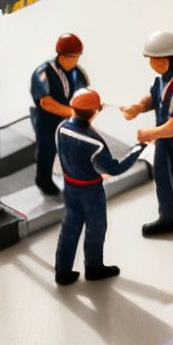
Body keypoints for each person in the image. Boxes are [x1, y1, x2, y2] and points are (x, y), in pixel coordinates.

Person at [54, 88, 141, 286]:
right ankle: (93, 268)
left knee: (69, 229)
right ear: (94, 113)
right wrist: (138, 148)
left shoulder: (61, 129)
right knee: (96, 229)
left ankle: (63, 271)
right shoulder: (96, 142)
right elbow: (113, 168)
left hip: (70, 186)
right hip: (90, 191)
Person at [122, 30, 173, 249]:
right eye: (151, 60)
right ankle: (167, 219)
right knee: (162, 182)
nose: (153, 64)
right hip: (163, 144)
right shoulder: (160, 82)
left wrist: (150, 134)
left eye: (156, 60)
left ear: (168, 58)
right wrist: (137, 107)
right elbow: (153, 99)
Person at [29, 33, 88, 195]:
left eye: (78, 57)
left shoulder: (77, 72)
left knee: (73, 149)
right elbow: (46, 102)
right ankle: (43, 179)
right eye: (74, 57)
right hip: (47, 119)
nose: (77, 60)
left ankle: (73, 178)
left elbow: (85, 92)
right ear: (63, 56)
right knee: (47, 149)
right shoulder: (44, 72)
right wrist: (73, 112)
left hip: (70, 120)